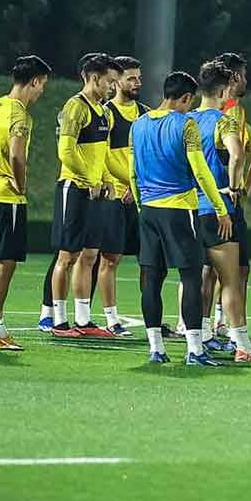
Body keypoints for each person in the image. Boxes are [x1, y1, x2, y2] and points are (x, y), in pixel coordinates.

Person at [130, 71, 231, 365]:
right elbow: (200, 171)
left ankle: (156, 349)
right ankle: (195, 350)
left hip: (148, 210)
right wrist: (220, 208)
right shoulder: (185, 124)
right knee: (190, 277)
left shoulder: (138, 124)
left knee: (152, 279)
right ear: (186, 98)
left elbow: (133, 171)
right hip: (179, 210)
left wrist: (141, 206)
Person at [0, 55, 52, 350]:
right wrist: (20, 184)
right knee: (4, 265)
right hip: (7, 198)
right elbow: (17, 154)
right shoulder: (19, 113)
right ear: (35, 82)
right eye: (42, 86)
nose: (42, 92)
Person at [190, 60, 251, 363]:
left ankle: (196, 340)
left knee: (192, 278)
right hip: (218, 209)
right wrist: (234, 188)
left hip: (188, 209)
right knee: (231, 281)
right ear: (223, 90)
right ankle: (242, 345)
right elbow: (236, 156)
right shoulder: (225, 121)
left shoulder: (185, 120)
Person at [45, 54, 121, 338]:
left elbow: (102, 154)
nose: (113, 88)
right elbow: (65, 152)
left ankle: (84, 320)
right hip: (74, 188)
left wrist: (110, 179)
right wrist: (90, 179)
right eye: (110, 82)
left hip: (96, 191)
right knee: (67, 256)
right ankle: (59, 322)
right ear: (93, 77)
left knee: (90, 255)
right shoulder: (75, 107)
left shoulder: (104, 111)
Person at [98, 55, 148, 336]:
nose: (137, 82)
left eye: (139, 77)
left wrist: (137, 185)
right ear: (116, 81)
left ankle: (151, 316)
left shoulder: (145, 113)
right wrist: (127, 182)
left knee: (149, 260)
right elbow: (101, 156)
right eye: (131, 77)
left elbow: (146, 155)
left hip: (140, 196)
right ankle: (111, 319)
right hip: (114, 197)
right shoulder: (105, 113)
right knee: (110, 259)